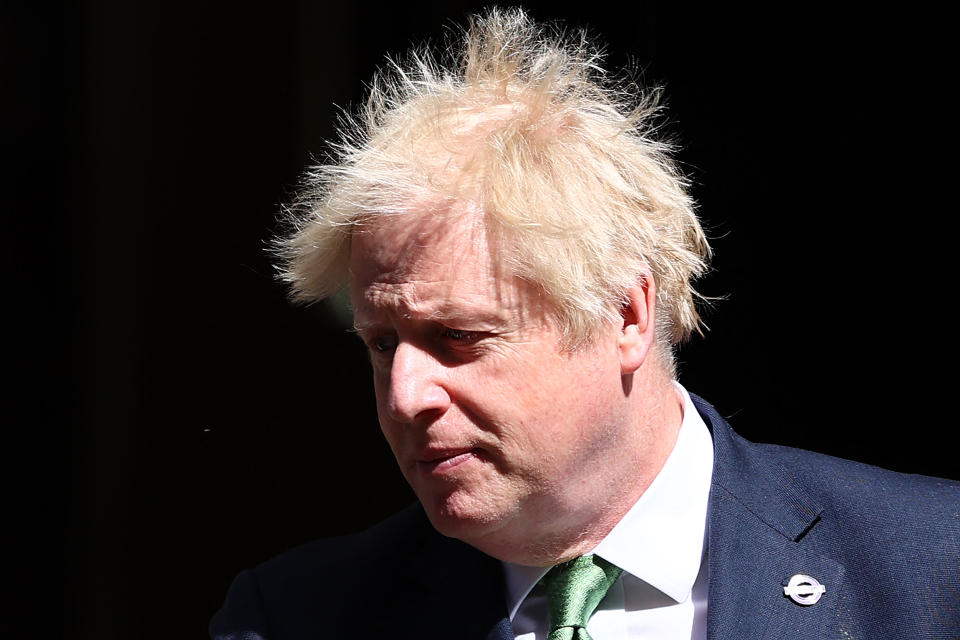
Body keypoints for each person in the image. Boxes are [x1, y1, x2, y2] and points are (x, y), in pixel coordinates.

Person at [211, 9, 959, 639]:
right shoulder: (293, 617)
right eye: (382, 344)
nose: (406, 396)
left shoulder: (931, 565)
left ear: (625, 315)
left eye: (459, 338)